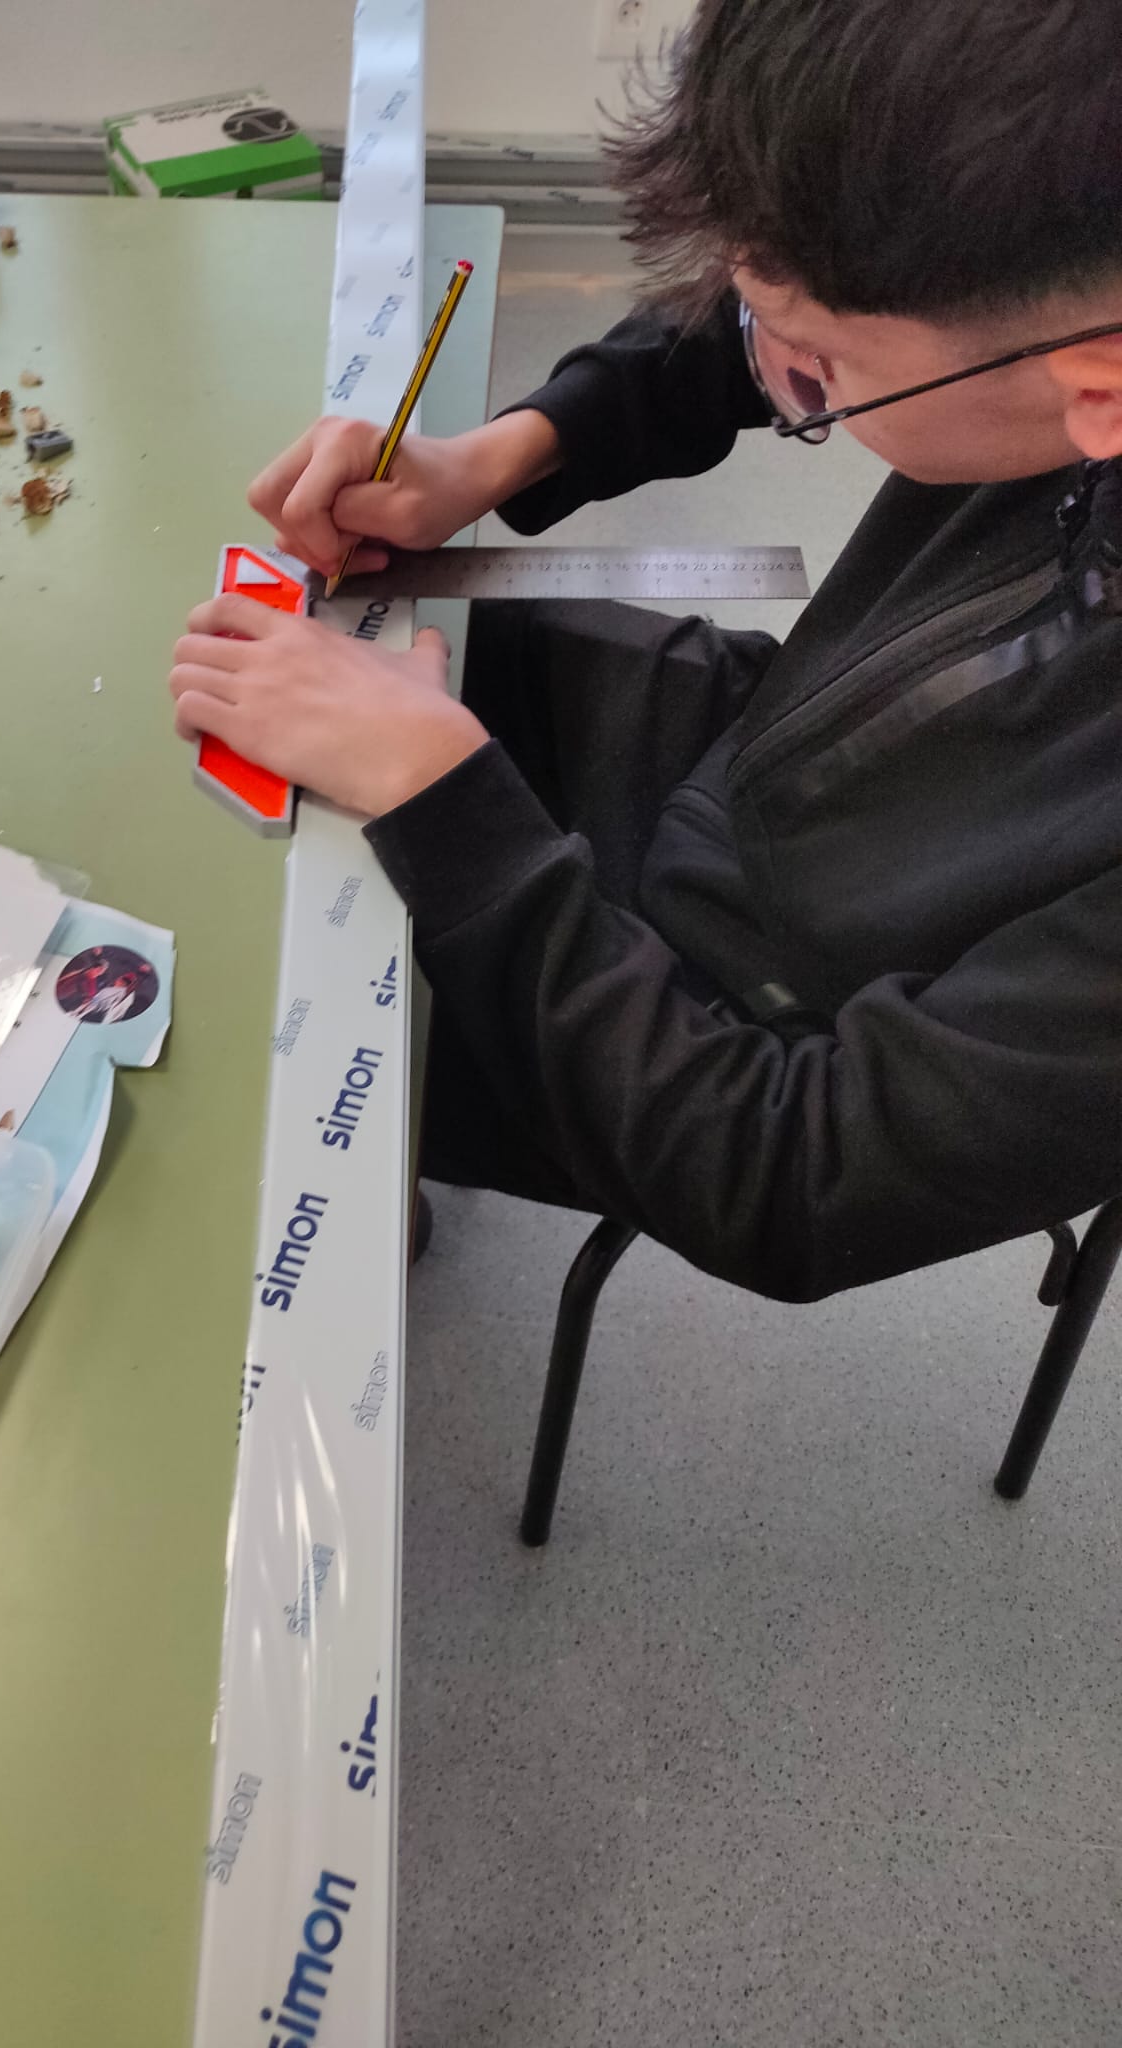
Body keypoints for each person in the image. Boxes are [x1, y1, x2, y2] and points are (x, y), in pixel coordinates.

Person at [169, 0, 1122, 1302]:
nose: (785, 370)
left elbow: (788, 1183)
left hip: (737, 1036)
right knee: (319, 683)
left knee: (239, 1020)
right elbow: (794, 309)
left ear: (1097, 396)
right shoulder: (1047, 290)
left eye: (824, 374)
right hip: (768, 752)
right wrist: (504, 455)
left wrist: (439, 798)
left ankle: (366, 1193)